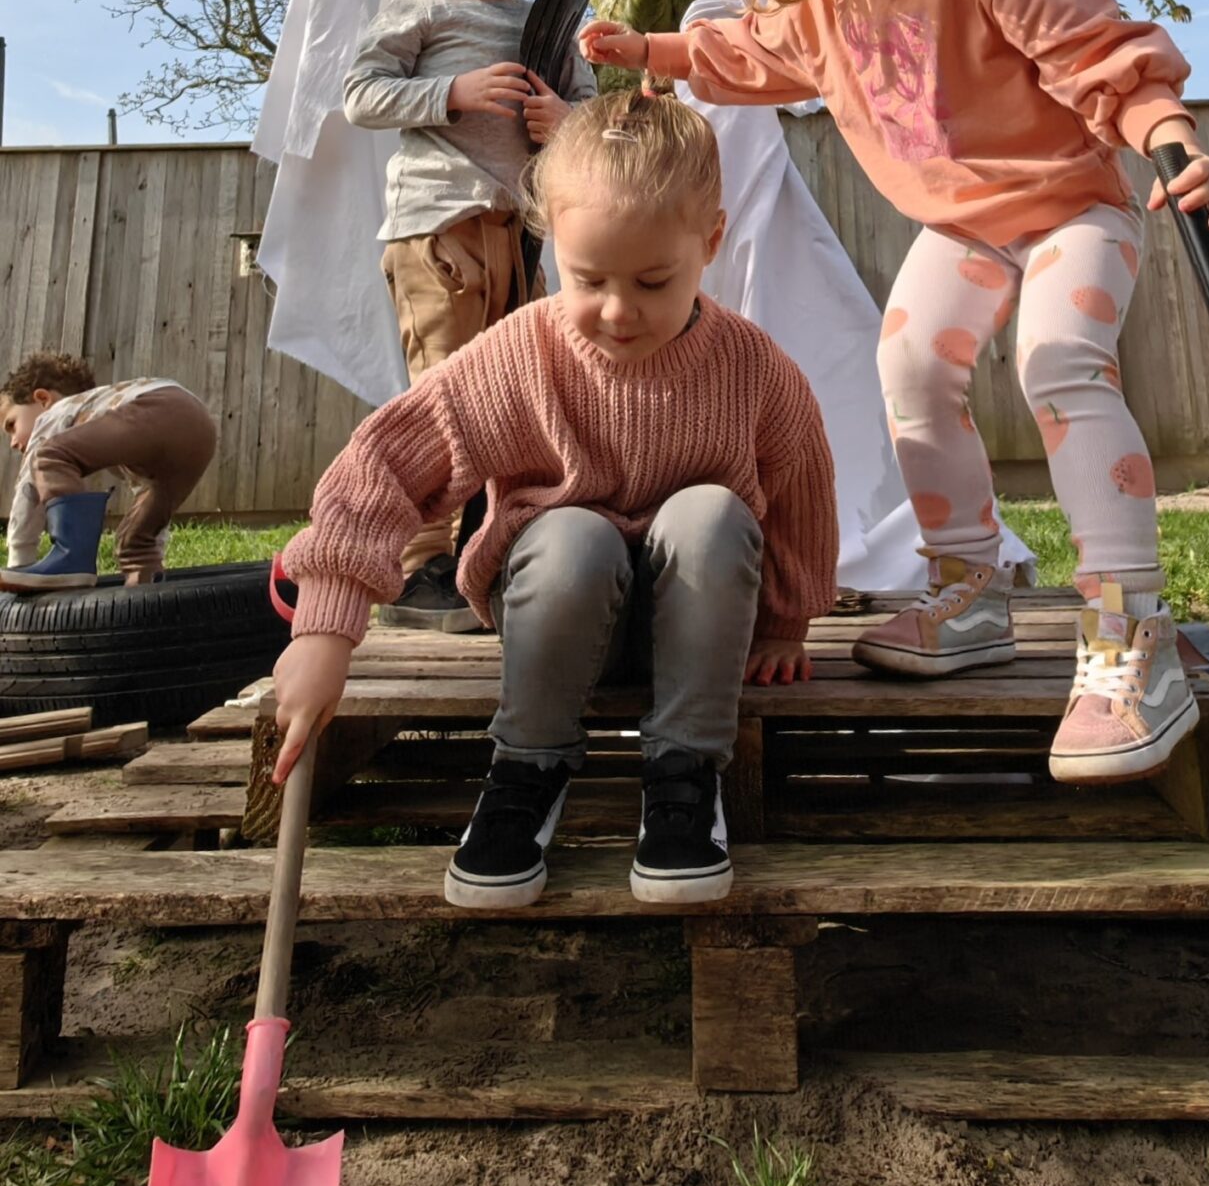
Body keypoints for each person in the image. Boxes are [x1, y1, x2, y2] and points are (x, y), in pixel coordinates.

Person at [582, 0, 1209, 787]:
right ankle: (968, 590)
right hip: (962, 226)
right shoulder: (821, 3)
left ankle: (1130, 634)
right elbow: (745, 54)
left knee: (1057, 362)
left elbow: (1101, 60)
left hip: (1073, 205)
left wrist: (1169, 134)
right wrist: (649, 50)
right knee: (910, 371)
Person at [273, 92, 838, 907]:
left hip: (699, 631)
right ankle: (526, 766)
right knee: (572, 533)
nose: (617, 309)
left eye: (652, 280)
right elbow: (386, 462)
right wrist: (326, 626)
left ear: (710, 242)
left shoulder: (751, 368)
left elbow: (801, 488)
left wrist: (787, 620)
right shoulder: (522, 355)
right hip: (561, 616)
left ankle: (684, 773)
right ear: (552, 249)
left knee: (713, 511)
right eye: (588, 277)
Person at [343, 0, 594, 629]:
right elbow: (360, 95)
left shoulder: (545, 25)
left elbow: (586, 115)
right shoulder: (419, 10)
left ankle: (489, 553)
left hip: (520, 236)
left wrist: (563, 119)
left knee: (514, 398)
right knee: (444, 393)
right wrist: (448, 93)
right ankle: (419, 566)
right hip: (437, 231)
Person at [0, 354, 218, 590]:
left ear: (43, 399)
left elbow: (27, 492)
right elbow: (147, 495)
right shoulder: (111, 419)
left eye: (11, 425)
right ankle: (146, 588)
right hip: (200, 429)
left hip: (161, 405)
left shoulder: (56, 412)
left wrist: (19, 565)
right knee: (137, 537)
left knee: (47, 456)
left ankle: (71, 559)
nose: (12, 442)